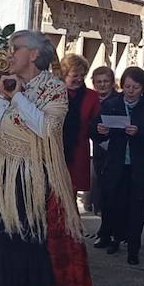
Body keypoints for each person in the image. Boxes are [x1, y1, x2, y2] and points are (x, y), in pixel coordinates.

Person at [0, 31, 91, 286]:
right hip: (1, 180)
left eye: (16, 49)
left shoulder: (55, 88)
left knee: (32, 251)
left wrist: (16, 97)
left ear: (34, 54)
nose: (9, 54)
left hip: (35, 180)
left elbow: (45, 129)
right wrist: (0, 99)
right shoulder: (3, 87)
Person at [90, 67, 144, 264]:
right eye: (127, 86)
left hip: (139, 165)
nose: (130, 91)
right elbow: (95, 130)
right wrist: (100, 130)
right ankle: (115, 238)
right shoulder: (111, 104)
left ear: (143, 88)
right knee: (115, 205)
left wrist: (139, 132)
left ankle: (134, 247)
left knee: (137, 208)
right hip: (116, 164)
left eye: (135, 87)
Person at [59, 53, 100, 213]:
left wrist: (99, 128)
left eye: (82, 75)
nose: (79, 79)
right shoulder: (56, 93)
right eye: (75, 75)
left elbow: (96, 123)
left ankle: (72, 232)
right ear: (64, 74)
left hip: (78, 150)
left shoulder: (91, 96)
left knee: (71, 193)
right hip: (56, 149)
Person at [87, 65, 117, 222]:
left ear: (112, 82)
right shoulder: (90, 98)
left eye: (106, 81)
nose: (102, 84)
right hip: (98, 150)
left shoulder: (119, 100)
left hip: (116, 151)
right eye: (98, 81)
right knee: (101, 190)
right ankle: (105, 230)